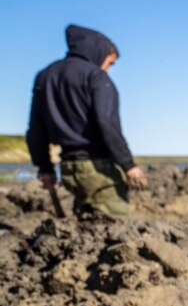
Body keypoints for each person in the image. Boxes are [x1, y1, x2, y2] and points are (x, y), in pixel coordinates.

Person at [26, 24, 149, 217]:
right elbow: (107, 123)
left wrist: (45, 167)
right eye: (109, 63)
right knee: (119, 229)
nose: (107, 70)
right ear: (98, 53)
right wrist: (128, 165)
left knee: (86, 227)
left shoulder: (45, 77)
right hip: (98, 168)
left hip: (68, 168)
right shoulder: (96, 77)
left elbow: (35, 129)